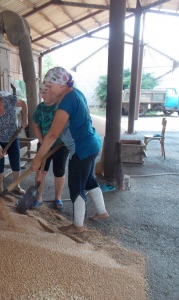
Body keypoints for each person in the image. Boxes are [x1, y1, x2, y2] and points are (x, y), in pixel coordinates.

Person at [31, 67, 109, 234]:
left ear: (61, 84)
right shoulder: (76, 93)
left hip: (82, 149)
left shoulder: (66, 101)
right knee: (88, 180)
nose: (49, 90)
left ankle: (77, 225)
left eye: (51, 86)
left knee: (76, 186)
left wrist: (37, 159)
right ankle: (102, 211)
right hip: (92, 142)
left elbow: (52, 135)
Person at [0, 86, 28, 195]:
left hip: (13, 137)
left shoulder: (9, 100)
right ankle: (0, 189)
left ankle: (17, 186)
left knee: (15, 163)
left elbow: (23, 104)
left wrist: (25, 119)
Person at [31, 83, 69, 210]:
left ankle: (57, 198)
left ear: (52, 92)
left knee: (59, 172)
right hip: (44, 144)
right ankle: (38, 197)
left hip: (60, 145)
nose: (42, 95)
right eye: (41, 92)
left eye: (45, 92)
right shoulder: (40, 107)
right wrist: (42, 141)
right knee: (41, 171)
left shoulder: (61, 106)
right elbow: (36, 125)